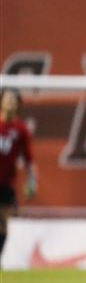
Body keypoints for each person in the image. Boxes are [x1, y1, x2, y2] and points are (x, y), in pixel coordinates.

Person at [0, 89, 38, 262]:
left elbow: (29, 158)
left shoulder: (21, 129)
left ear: (18, 105)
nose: (10, 103)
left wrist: (32, 180)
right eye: (7, 99)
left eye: (13, 100)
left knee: (2, 223)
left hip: (6, 183)